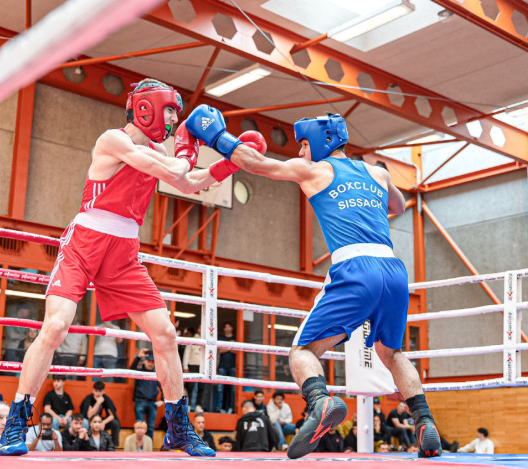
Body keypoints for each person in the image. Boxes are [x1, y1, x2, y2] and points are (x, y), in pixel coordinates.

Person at [0, 78, 235, 457]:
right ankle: (15, 421)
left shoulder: (161, 152)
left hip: (124, 251)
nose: (174, 118)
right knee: (56, 326)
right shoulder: (113, 140)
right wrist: (188, 148)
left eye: (176, 111)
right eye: (170, 109)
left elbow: (187, 183)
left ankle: (178, 428)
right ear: (146, 107)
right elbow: (169, 168)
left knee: (166, 334)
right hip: (85, 242)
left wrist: (227, 164)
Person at [185, 107, 442, 459]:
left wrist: (216, 136)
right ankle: (424, 422)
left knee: (302, 352)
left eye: (303, 144)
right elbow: (397, 204)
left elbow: (256, 164)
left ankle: (319, 401)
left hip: (355, 266)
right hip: (394, 270)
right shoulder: (376, 172)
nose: (300, 152)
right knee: (391, 352)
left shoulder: (313, 169)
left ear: (320, 142)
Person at [131, 348, 164, 437]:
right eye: (149, 361)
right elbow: (131, 370)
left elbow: (163, 386)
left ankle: (148, 450)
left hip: (152, 402)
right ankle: (139, 449)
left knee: (150, 428)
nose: (150, 363)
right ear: (144, 361)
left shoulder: (156, 373)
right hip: (140, 400)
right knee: (139, 427)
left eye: (152, 361)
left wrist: (162, 399)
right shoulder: (140, 372)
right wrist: (138, 357)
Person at [214, 321, 236, 413]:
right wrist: (231, 348)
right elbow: (219, 350)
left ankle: (231, 408)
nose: (227, 328)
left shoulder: (236, 338)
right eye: (225, 327)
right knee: (220, 388)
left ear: (231, 328)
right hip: (222, 366)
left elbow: (237, 351)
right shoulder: (221, 338)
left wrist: (226, 348)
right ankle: (220, 408)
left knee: (232, 389)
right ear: (224, 329)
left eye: (229, 326)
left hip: (233, 367)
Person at [182, 326, 203, 411]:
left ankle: (198, 405)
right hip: (192, 364)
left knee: (202, 386)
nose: (201, 330)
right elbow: (187, 353)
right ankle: (189, 405)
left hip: (203, 366)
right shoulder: (193, 339)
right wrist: (185, 366)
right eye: (200, 328)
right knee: (190, 386)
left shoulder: (209, 339)